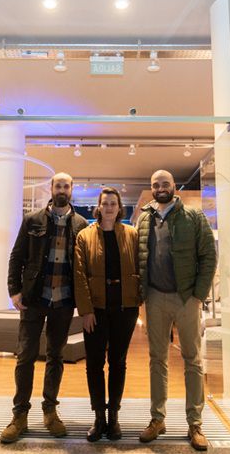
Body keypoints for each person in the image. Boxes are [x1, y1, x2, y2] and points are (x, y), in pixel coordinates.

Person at [0, 173, 88, 444]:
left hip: (63, 301)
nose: (62, 189)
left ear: (71, 190)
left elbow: (84, 266)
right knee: (25, 357)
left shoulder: (81, 224)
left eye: (66, 186)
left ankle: (50, 411)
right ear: (51, 189)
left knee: (55, 357)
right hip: (34, 299)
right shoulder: (32, 220)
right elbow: (17, 256)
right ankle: (19, 415)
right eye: (57, 185)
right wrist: (14, 290)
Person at [137, 170, 217, 451]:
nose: (160, 188)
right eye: (155, 184)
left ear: (174, 186)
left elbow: (209, 255)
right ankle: (157, 419)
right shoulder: (144, 218)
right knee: (157, 359)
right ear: (152, 188)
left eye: (165, 184)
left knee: (192, 360)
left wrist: (198, 295)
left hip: (186, 299)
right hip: (155, 297)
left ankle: (195, 423)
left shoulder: (193, 216)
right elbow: (139, 259)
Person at [73, 187, 141, 442]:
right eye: (105, 203)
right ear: (98, 207)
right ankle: (98, 417)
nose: (109, 207)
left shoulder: (131, 234)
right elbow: (79, 276)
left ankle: (114, 417)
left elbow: (141, 266)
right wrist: (87, 311)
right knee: (94, 364)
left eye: (114, 203)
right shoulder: (84, 236)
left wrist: (139, 298)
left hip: (125, 308)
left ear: (119, 207)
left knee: (118, 362)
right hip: (97, 310)